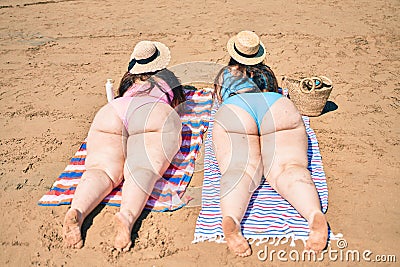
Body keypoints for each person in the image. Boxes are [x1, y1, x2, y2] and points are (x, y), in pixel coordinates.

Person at [213, 31, 328, 257]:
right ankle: (313, 213)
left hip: (237, 108)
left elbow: (219, 99)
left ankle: (232, 218)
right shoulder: (267, 73)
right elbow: (275, 91)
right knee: (288, 168)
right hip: (276, 106)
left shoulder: (225, 74)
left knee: (240, 170)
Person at [62, 40, 186, 251]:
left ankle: (78, 210)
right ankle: (127, 217)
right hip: (152, 112)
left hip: (114, 111)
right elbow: (179, 104)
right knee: (141, 169)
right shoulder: (168, 79)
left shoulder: (126, 82)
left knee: (101, 170)